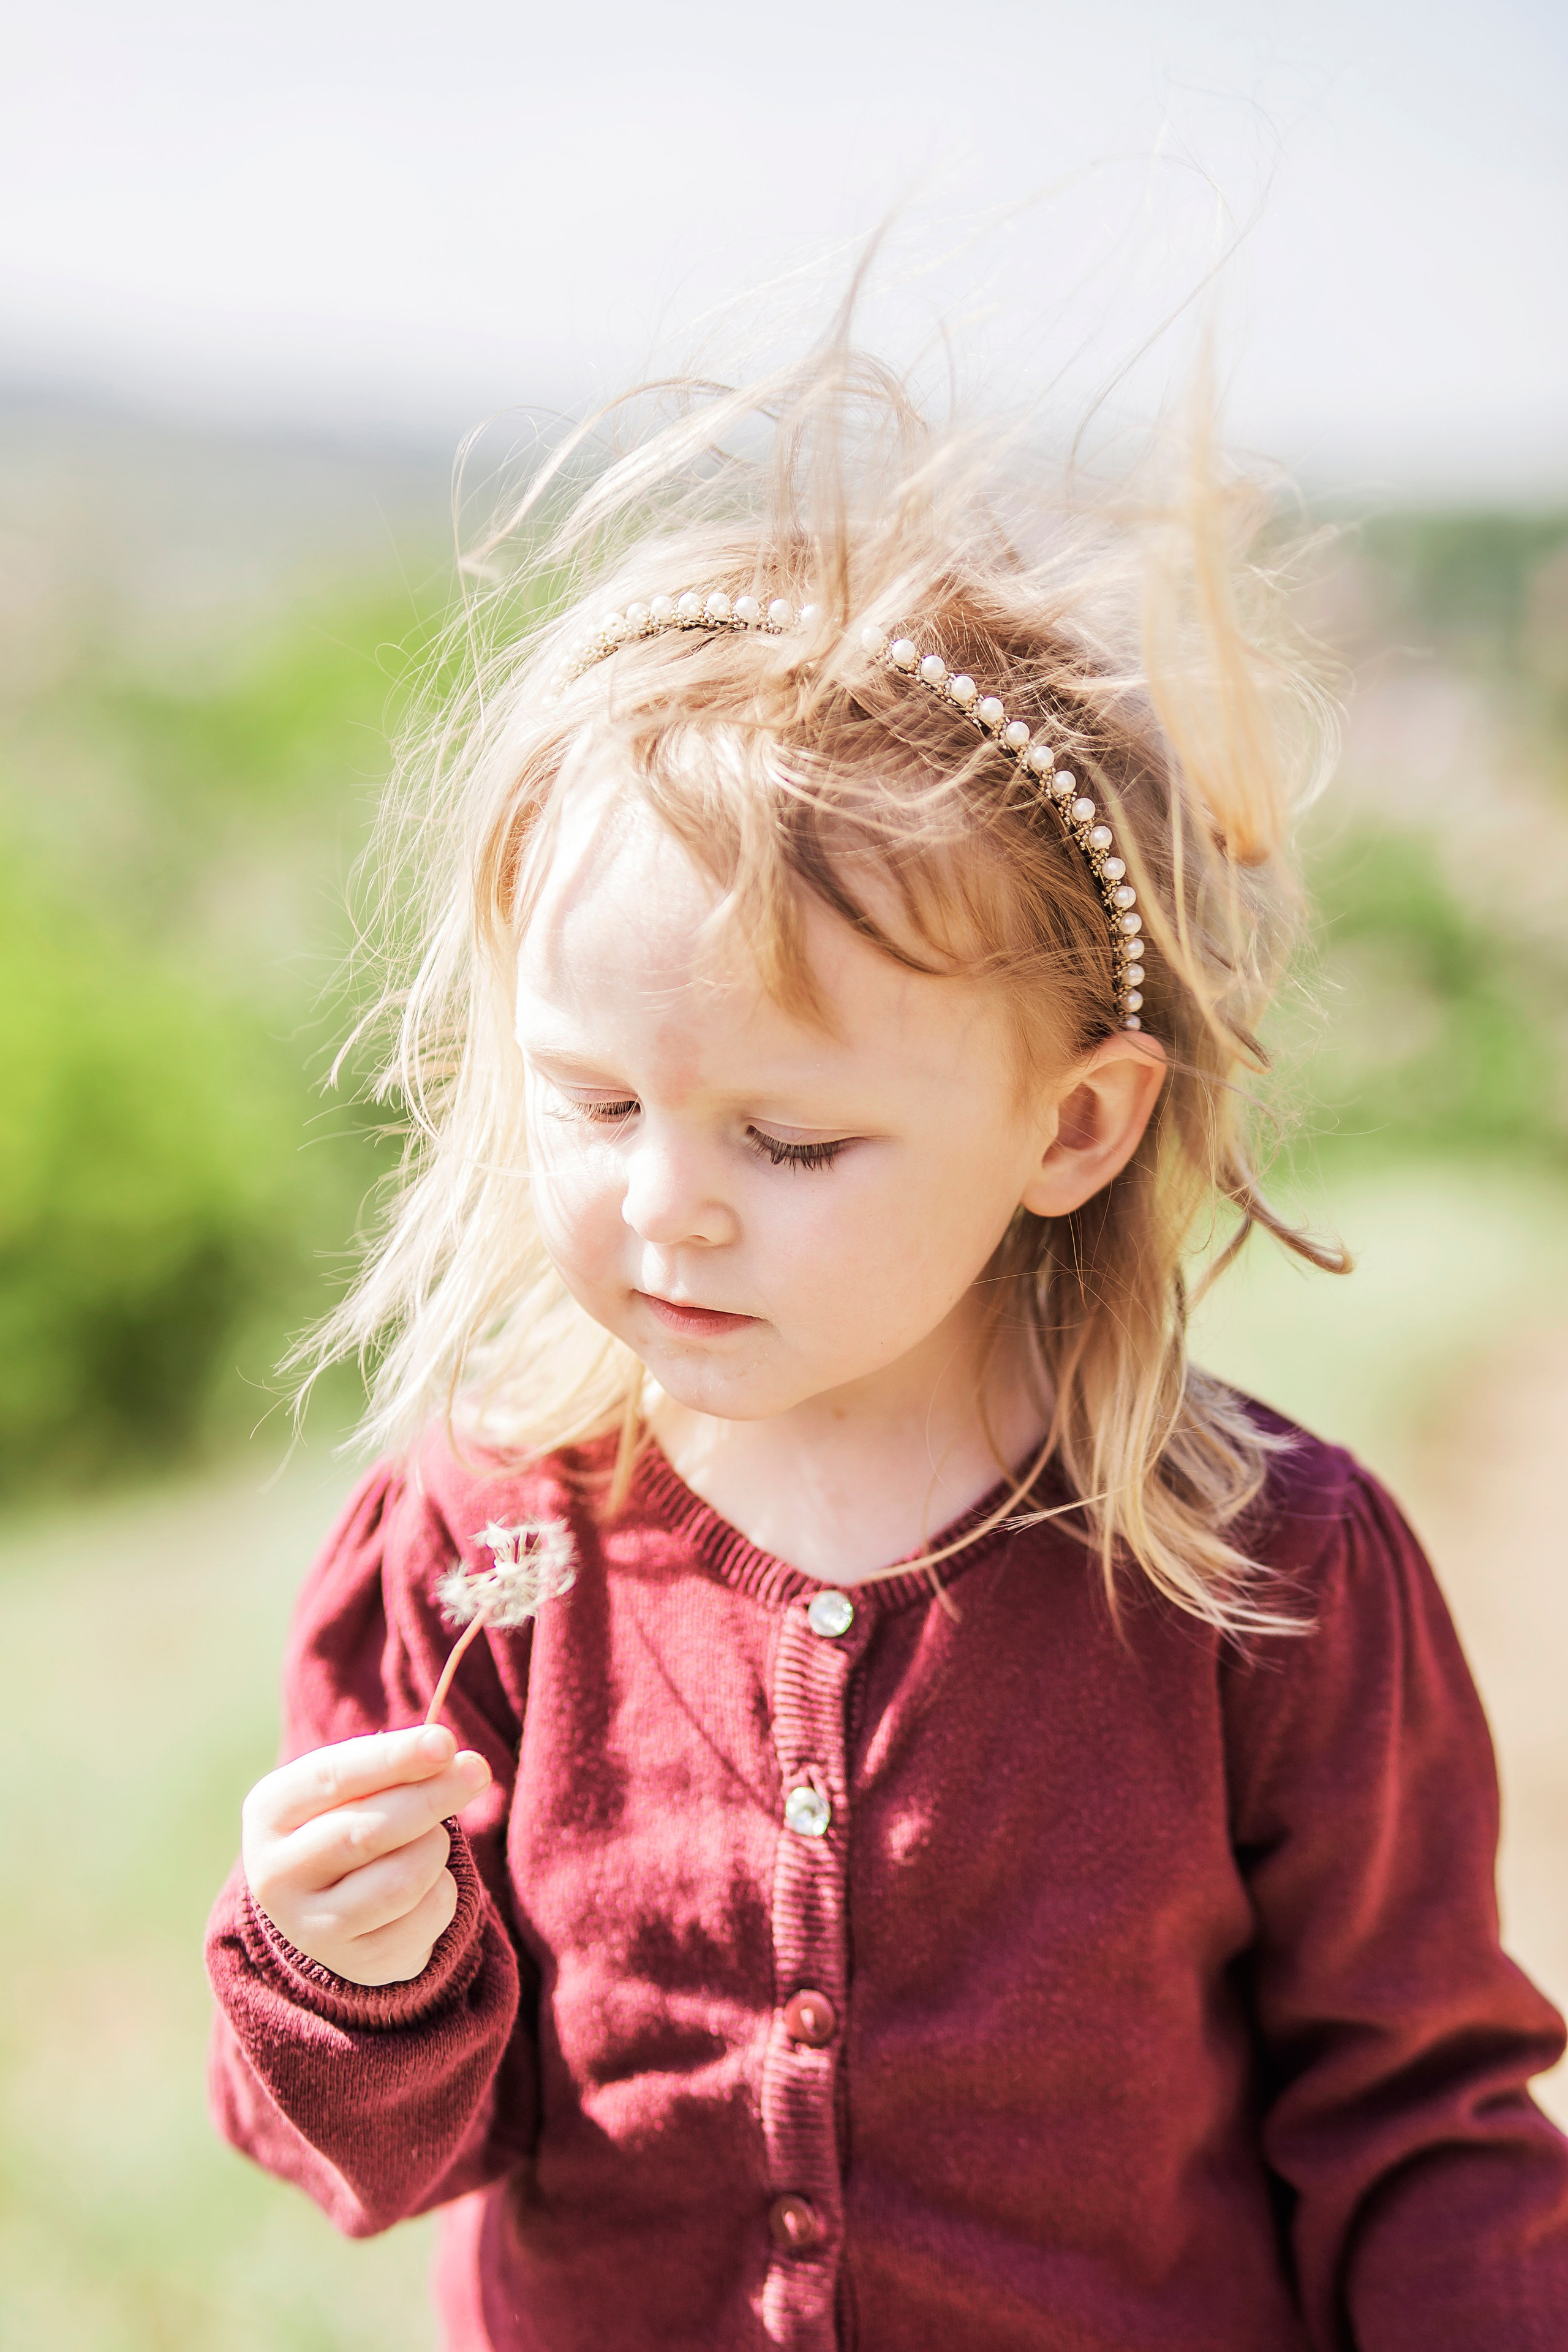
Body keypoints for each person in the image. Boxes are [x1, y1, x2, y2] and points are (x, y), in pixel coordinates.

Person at [205, 342, 1568, 2350]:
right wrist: (351, 1970)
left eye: (792, 1139)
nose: (670, 1201)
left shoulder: (1262, 1578)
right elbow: (376, 2161)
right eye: (596, 1102)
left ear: (1072, 1127)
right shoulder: (479, 1544)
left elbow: (1421, 2129)